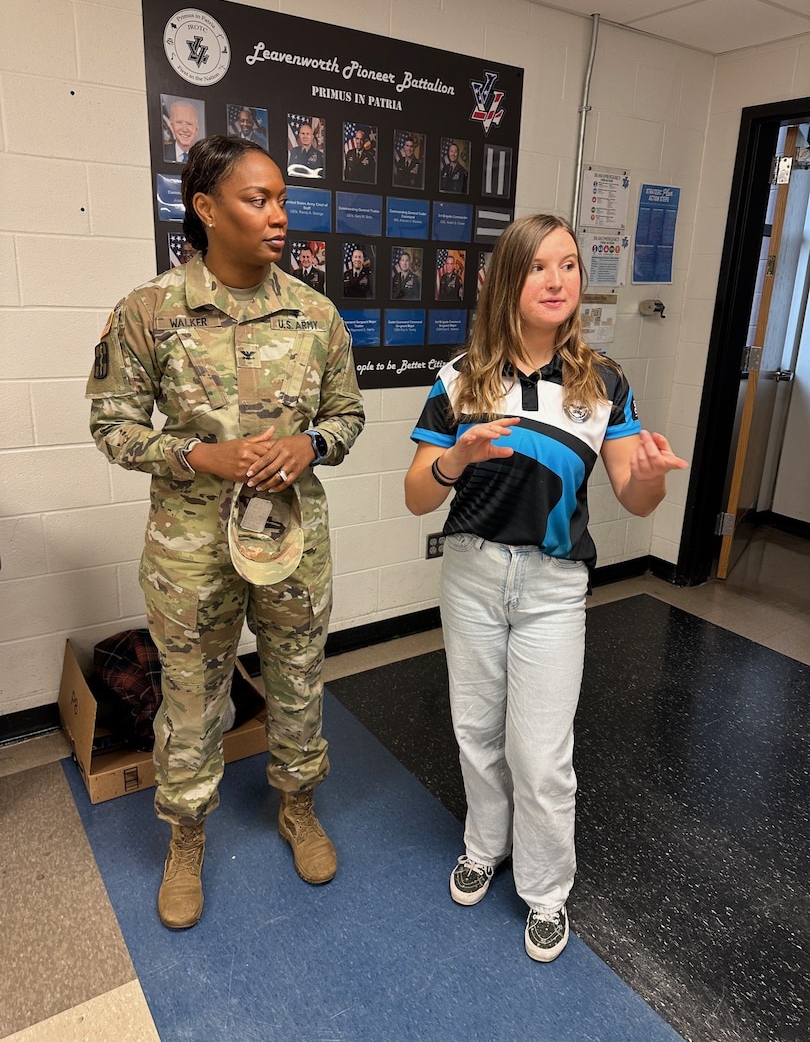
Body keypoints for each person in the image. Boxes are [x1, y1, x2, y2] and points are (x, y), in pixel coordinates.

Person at [87, 136, 364, 930]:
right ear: (207, 209)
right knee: (192, 696)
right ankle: (186, 836)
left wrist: (309, 444)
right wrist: (198, 452)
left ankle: (299, 806)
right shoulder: (149, 311)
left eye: (282, 199)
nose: (279, 215)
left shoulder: (316, 314)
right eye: (258, 199)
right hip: (190, 550)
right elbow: (112, 425)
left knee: (299, 677)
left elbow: (348, 416)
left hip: (291, 541)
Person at [404, 213, 686, 963]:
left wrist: (652, 481)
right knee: (476, 730)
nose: (557, 280)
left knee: (540, 751)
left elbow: (633, 495)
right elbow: (415, 497)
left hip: (554, 587)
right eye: (538, 267)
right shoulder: (462, 377)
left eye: (568, 266)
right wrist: (456, 458)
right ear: (506, 282)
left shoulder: (605, 383)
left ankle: (546, 890)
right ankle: (483, 845)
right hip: (471, 574)